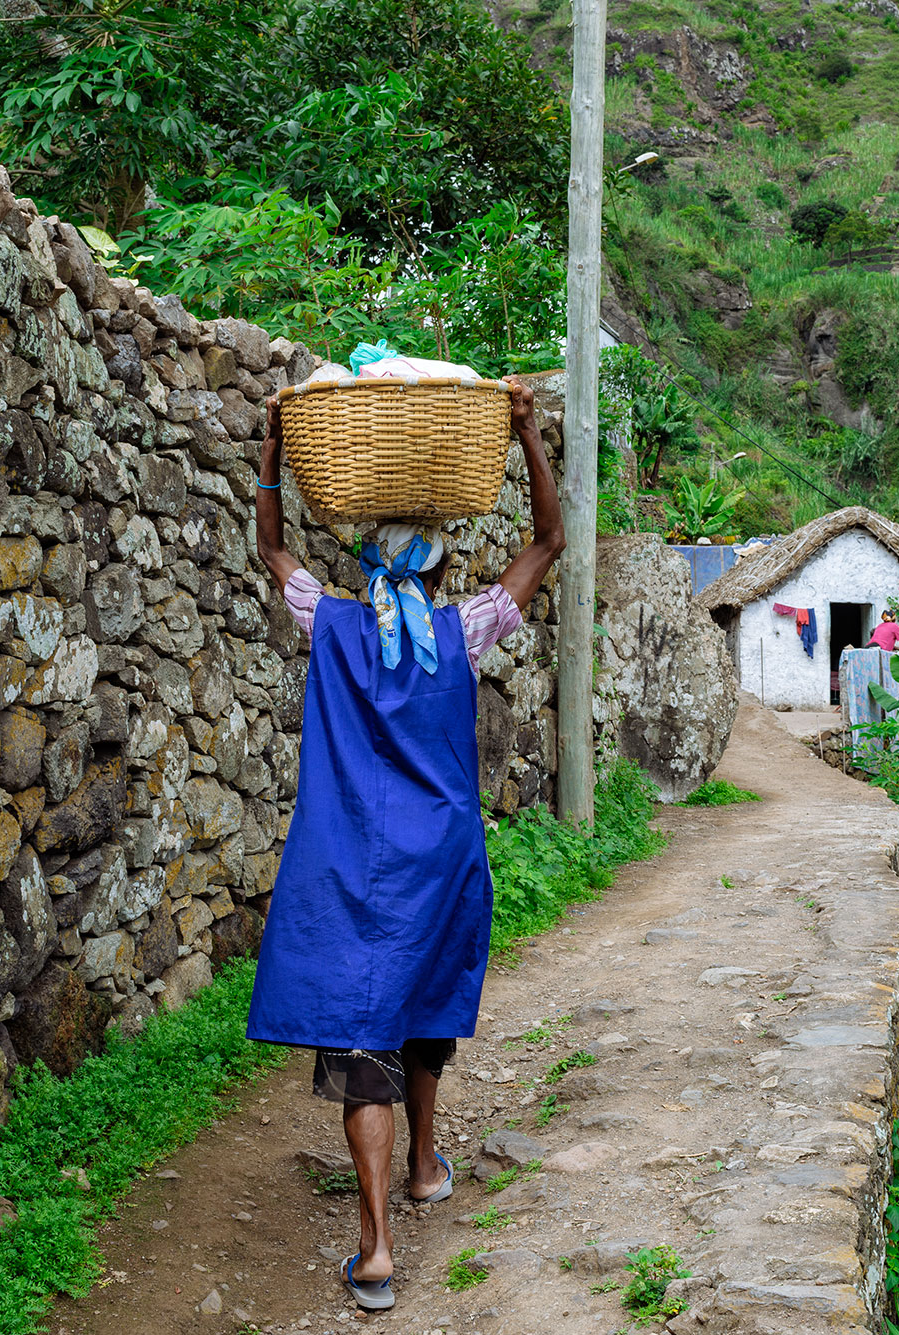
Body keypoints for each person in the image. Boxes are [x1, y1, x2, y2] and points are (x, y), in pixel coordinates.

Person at [246, 381, 564, 1312]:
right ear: (434, 565)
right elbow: (545, 541)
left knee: (363, 1031)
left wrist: (271, 447)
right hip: (439, 858)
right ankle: (425, 1166)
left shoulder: (330, 621)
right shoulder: (462, 630)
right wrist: (525, 435)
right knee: (422, 1000)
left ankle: (377, 1245)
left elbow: (271, 547)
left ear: (368, 563)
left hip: (348, 862)